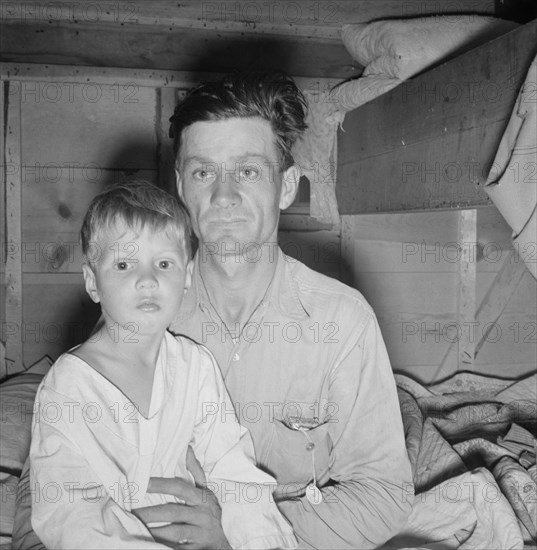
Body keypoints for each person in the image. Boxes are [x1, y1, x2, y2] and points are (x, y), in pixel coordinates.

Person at [14, 72, 413, 549]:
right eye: (203, 172)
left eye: (247, 171)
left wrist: (237, 533)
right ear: (181, 185)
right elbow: (57, 467)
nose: (223, 196)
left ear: (286, 187)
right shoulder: (141, 308)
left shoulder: (343, 322)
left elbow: (385, 495)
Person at [27, 181, 297, 550]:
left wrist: (263, 543)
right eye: (123, 264)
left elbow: (233, 472)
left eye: (164, 264)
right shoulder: (69, 386)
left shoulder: (195, 366)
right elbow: (71, 516)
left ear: (185, 277)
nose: (148, 280)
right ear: (93, 282)